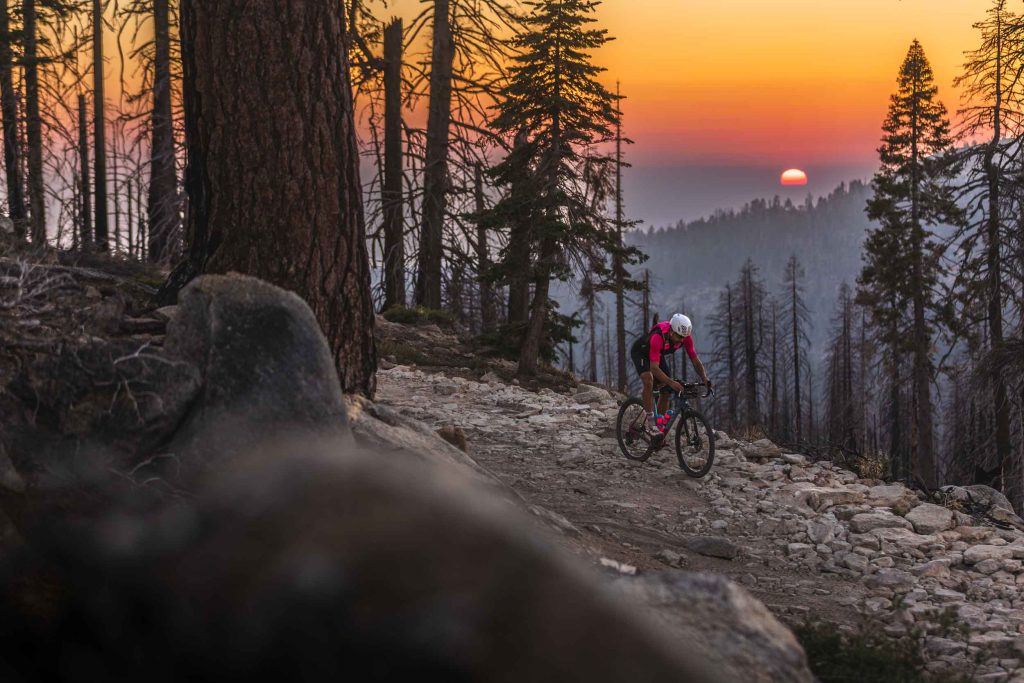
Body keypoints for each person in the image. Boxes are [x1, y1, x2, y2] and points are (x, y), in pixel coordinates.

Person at [630, 313, 712, 438]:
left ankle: (659, 426)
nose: (681, 340)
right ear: (671, 332)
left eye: (684, 337)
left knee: (666, 391)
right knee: (649, 380)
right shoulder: (658, 337)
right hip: (641, 352)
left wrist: (704, 378)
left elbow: (695, 360)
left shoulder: (685, 337)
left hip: (656, 355)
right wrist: (671, 382)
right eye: (679, 337)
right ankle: (651, 423)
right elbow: (654, 368)